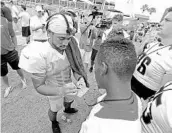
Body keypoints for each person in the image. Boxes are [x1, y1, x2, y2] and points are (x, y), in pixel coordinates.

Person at [19, 13, 88, 133]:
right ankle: (54, 122)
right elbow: (39, 86)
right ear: (49, 33)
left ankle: (67, 108)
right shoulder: (39, 54)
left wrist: (79, 77)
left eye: (68, 38)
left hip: (69, 84)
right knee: (54, 109)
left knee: (69, 100)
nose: (66, 43)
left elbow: (74, 68)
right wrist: (60, 90)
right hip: (53, 89)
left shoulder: (71, 45)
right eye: (61, 38)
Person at [79, 37, 142, 133]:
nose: (94, 71)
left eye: (95, 65)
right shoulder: (135, 99)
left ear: (104, 69)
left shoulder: (97, 125)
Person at [131, 8, 172, 100]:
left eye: (167, 20)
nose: (160, 23)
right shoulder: (153, 44)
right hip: (126, 88)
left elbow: (162, 96)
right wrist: (144, 42)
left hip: (140, 99)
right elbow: (135, 55)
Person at [1, 11, 27, 98]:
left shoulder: (6, 22)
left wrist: (15, 47)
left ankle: (23, 79)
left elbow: (13, 35)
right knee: (3, 73)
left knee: (17, 67)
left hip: (10, 51)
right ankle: (8, 87)